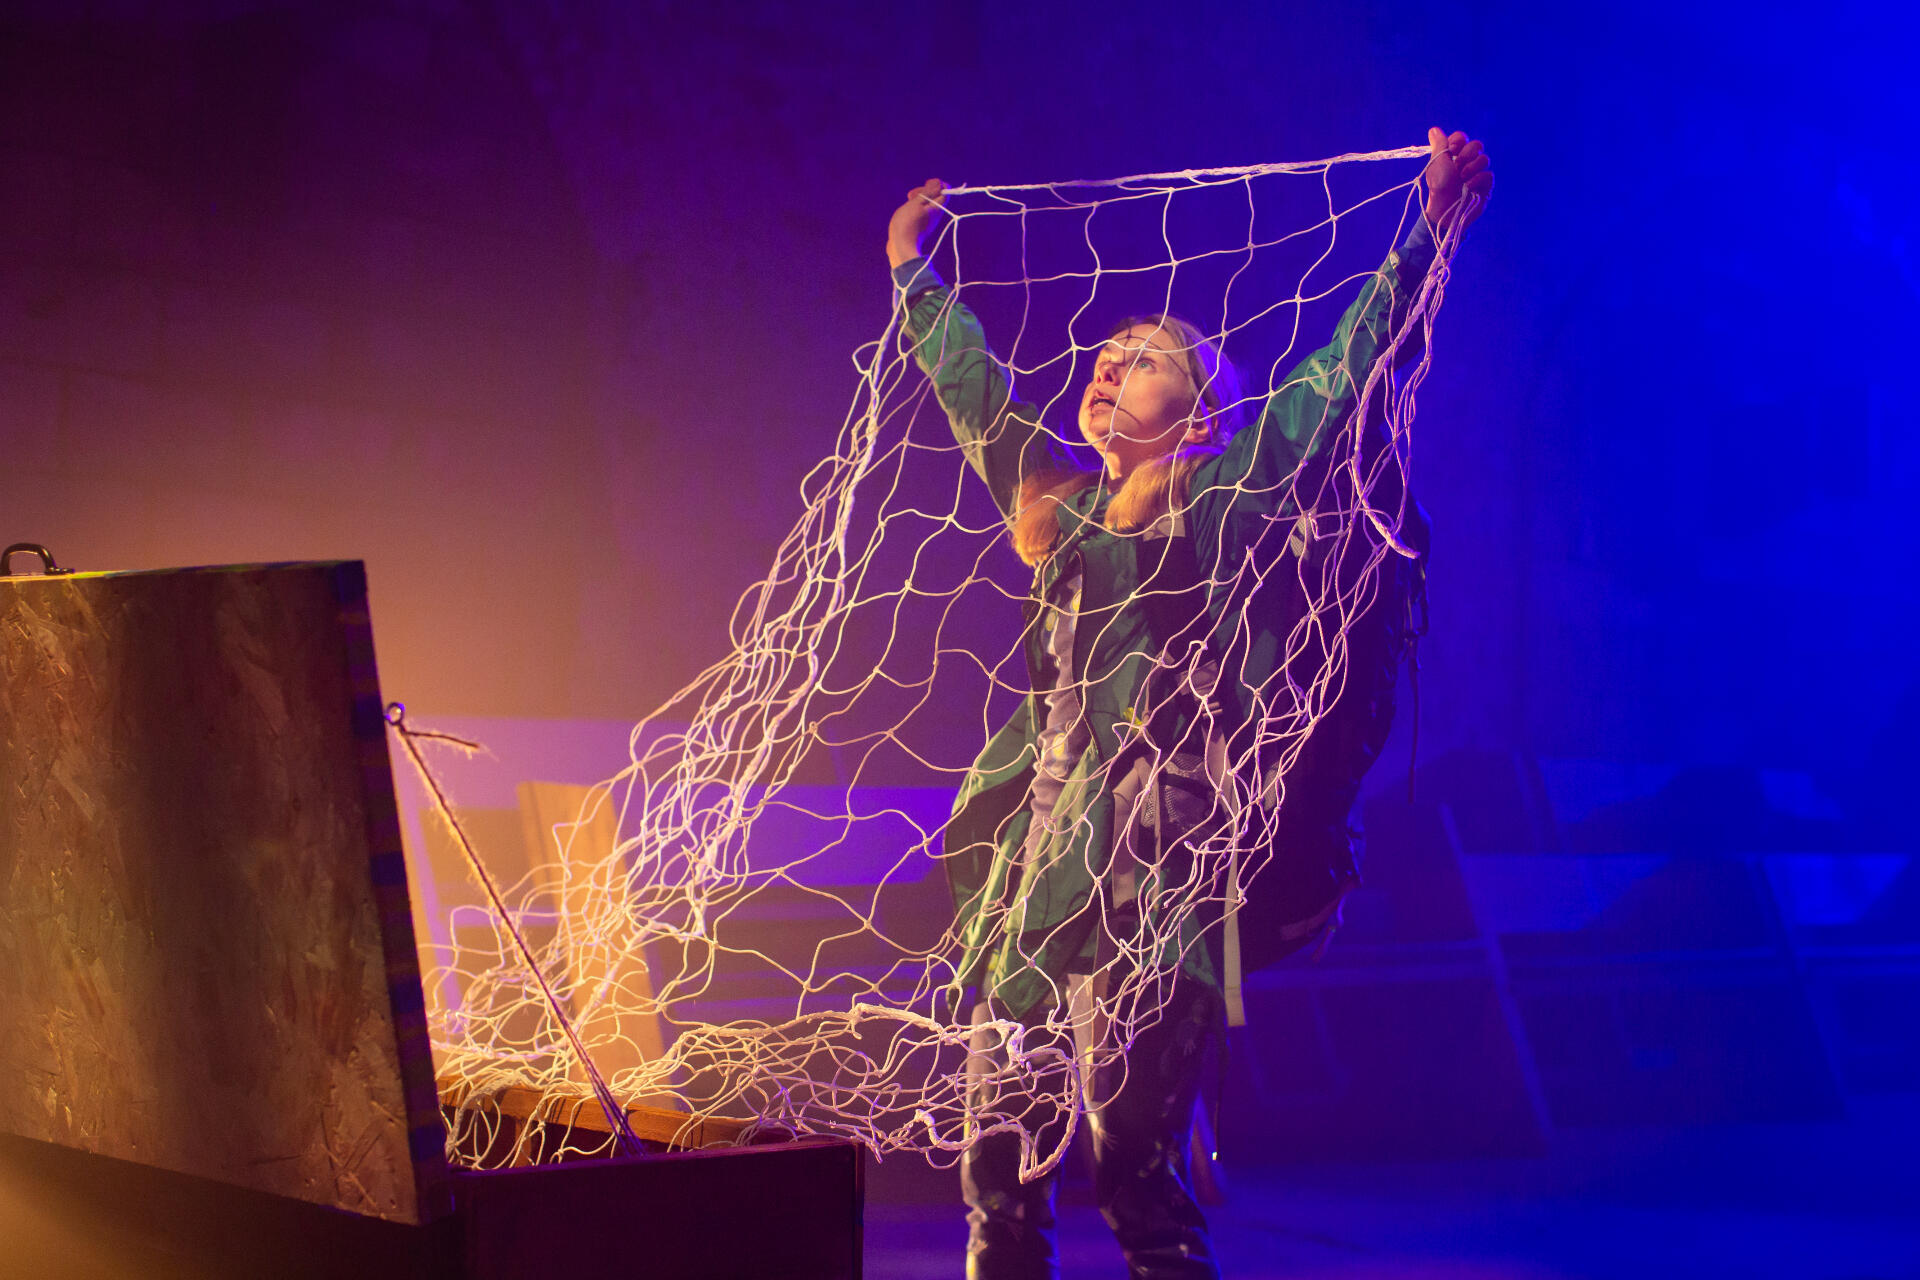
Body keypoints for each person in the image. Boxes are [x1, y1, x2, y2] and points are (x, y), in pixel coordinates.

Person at [887, 128, 1493, 1280]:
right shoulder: (1059, 516)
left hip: (1165, 882)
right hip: (1042, 878)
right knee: (997, 1166)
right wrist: (913, 272)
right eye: (1105, 354)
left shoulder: (1229, 501)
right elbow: (976, 397)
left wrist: (1426, 225)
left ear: (1203, 410)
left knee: (1134, 1170)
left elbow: (1338, 375)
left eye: (1145, 357)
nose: (1111, 365)